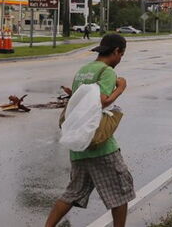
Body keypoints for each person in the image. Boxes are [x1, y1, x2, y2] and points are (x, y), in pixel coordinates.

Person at [45, 33, 134, 227]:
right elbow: (102, 101)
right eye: (121, 54)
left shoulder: (83, 70)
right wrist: (121, 88)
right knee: (120, 192)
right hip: (100, 146)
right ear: (117, 51)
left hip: (79, 144)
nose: (120, 58)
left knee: (73, 192)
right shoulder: (107, 71)